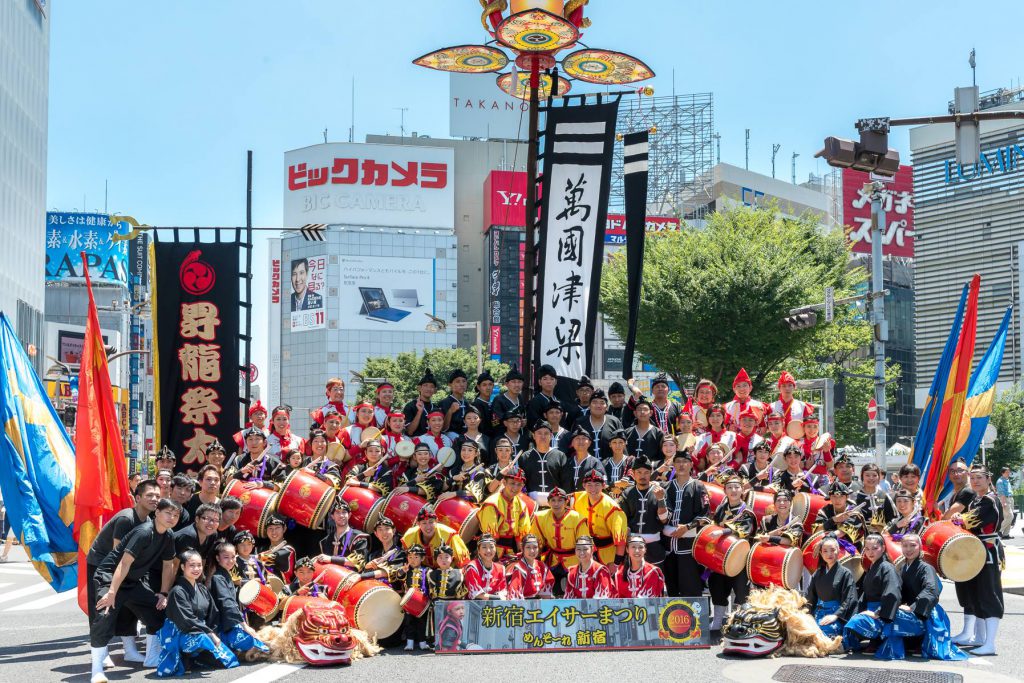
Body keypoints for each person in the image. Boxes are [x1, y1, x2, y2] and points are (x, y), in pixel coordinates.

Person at [89, 499, 181, 682]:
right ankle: (96, 669)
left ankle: (152, 657)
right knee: (105, 614)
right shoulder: (144, 532)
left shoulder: (168, 535)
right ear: (157, 513)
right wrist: (112, 592)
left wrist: (163, 593)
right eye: (168, 513)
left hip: (132, 581)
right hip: (110, 577)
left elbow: (168, 565)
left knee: (157, 609)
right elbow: (123, 564)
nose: (172, 517)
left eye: (176, 515)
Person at [84, 479, 162, 665]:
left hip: (127, 568)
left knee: (130, 608)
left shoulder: (149, 520)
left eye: (158, 496)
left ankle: (130, 651)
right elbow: (117, 554)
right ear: (138, 498)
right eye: (150, 495)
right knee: (103, 609)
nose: (154, 499)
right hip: (102, 566)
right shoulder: (126, 519)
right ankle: (101, 654)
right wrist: (114, 586)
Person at [155, 549, 240, 677]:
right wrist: (210, 634)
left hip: (203, 630)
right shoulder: (178, 591)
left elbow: (213, 614)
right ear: (183, 567)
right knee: (203, 638)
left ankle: (198, 657)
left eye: (199, 565)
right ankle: (185, 656)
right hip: (181, 633)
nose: (196, 569)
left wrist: (215, 632)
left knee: (228, 661)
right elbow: (187, 620)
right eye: (192, 565)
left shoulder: (201, 588)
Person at [950, 464, 1003, 655]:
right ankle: (980, 638)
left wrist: (959, 517)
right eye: (972, 478)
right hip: (974, 551)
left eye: (979, 477)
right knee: (977, 594)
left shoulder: (990, 500)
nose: (975, 481)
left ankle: (990, 643)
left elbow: (972, 520)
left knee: (989, 594)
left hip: (987, 552)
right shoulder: (975, 501)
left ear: (989, 479)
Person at [898, 533, 968, 661]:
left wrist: (913, 607)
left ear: (920, 547)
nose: (908, 549)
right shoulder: (903, 568)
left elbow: (931, 590)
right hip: (909, 607)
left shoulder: (927, 568)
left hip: (925, 609)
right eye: (905, 546)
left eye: (913, 545)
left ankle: (921, 640)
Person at [841, 534, 902, 657]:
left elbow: (892, 593)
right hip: (870, 609)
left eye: (875, 548)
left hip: (881, 611)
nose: (870, 552)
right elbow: (865, 595)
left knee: (855, 623)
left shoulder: (887, 567)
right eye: (867, 549)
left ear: (883, 548)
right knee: (847, 621)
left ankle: (878, 639)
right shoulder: (872, 567)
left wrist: (877, 612)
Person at [708, 476, 756, 631]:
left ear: (742, 490)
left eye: (736, 487)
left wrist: (724, 531)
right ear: (725, 490)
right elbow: (714, 526)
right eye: (730, 487)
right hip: (721, 557)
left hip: (740, 558)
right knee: (717, 586)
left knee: (742, 590)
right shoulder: (722, 509)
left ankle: (744, 622)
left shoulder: (747, 511)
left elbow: (744, 530)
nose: (733, 490)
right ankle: (717, 620)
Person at [661, 449, 710, 598]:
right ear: (673, 465)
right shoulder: (666, 487)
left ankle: (695, 620)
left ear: (691, 465)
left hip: (690, 547)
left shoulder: (698, 486)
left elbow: (705, 514)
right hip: (669, 547)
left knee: (691, 587)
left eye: (685, 462)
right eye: (678, 462)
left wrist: (687, 527)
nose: (681, 465)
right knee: (672, 588)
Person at [208, 543, 269, 659]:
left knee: (258, 642)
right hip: (222, 625)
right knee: (254, 642)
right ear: (217, 558)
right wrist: (244, 625)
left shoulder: (225, 574)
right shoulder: (218, 577)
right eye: (226, 557)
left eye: (233, 557)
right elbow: (227, 603)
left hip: (229, 622)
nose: (230, 560)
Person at [530, 487, 588, 594]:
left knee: (576, 593)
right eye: (553, 500)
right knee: (550, 592)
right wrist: (535, 565)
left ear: (566, 502)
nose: (556, 504)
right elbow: (536, 543)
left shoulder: (578, 518)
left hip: (575, 560)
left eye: (560, 500)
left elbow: (585, 545)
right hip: (552, 560)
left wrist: (584, 565)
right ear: (548, 502)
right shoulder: (540, 517)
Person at [617, 456, 668, 565]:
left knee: (655, 579)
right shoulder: (627, 493)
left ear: (651, 473)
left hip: (654, 546)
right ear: (633, 473)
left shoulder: (660, 492)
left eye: (646, 472)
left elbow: (664, 520)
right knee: (632, 579)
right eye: (639, 472)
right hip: (633, 546)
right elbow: (621, 519)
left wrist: (660, 500)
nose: (642, 476)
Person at [804, 535, 858, 638]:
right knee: (806, 632)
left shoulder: (845, 573)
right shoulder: (818, 573)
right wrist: (806, 613)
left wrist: (836, 615)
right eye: (825, 551)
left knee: (823, 633)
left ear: (838, 551)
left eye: (832, 550)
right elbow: (810, 596)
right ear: (821, 553)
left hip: (836, 615)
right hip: (818, 613)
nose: (829, 554)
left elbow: (849, 599)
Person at [572, 469, 628, 565]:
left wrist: (616, 564)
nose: (593, 489)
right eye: (589, 485)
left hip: (607, 554)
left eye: (597, 485)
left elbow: (621, 541)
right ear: (584, 486)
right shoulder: (577, 498)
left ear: (603, 485)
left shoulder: (612, 508)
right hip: (584, 552)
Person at [478, 468, 532, 559]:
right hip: (491, 550)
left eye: (519, 484)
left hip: (512, 550)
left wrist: (522, 554)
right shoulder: (491, 503)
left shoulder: (521, 504)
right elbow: (490, 536)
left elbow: (522, 534)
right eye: (512, 483)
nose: (515, 488)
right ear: (504, 482)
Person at [401, 506, 470, 568]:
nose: (428, 527)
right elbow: (406, 560)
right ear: (418, 524)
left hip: (447, 573)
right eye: (424, 523)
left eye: (431, 522)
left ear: (436, 521)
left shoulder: (449, 534)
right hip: (421, 573)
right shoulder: (409, 536)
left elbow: (463, 562)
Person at [519, 420, 568, 505]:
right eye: (539, 433)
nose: (543, 436)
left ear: (551, 435)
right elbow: (522, 483)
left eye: (546, 433)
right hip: (531, 503)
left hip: (555, 504)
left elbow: (566, 482)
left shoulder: (560, 456)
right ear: (534, 436)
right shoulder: (525, 457)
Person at [814, 482, 867, 552]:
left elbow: (842, 532)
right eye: (834, 496)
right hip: (827, 549)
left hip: (853, 550)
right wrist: (833, 520)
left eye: (841, 496)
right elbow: (816, 531)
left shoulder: (854, 511)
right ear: (830, 497)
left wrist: (825, 539)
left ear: (847, 497)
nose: (837, 500)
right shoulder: (825, 510)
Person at [314, 500, 368, 568]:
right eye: (337, 512)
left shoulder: (358, 537)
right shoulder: (326, 541)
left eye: (344, 512)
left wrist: (331, 559)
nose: (341, 515)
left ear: (349, 515)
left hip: (351, 577)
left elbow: (358, 562)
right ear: (332, 516)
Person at [577, 389, 623, 460]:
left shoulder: (614, 421)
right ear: (589, 406)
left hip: (609, 467)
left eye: (602, 403)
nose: (598, 405)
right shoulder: (580, 422)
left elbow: (623, 445)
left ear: (606, 407)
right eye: (594, 402)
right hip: (585, 467)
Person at [400, 545, 431, 651]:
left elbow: (430, 584)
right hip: (409, 602)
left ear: (422, 558)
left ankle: (422, 642)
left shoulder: (427, 571)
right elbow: (398, 576)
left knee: (422, 622)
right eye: (410, 557)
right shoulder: (406, 570)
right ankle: (410, 643)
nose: (412, 560)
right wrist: (402, 571)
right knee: (409, 622)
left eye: (416, 557)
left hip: (421, 601)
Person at [505, 534, 554, 599]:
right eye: (528, 547)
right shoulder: (519, 568)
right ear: (522, 549)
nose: (532, 551)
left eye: (535, 547)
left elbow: (546, 596)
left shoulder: (542, 566)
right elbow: (514, 597)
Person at [174, 503, 222, 569]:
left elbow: (203, 559)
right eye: (207, 518)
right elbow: (174, 565)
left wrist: (201, 579)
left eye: (216, 520)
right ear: (197, 519)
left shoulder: (212, 534)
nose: (211, 523)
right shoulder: (187, 536)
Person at [359, 517, 407, 583]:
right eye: (380, 530)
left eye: (387, 529)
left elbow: (385, 572)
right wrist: (367, 567)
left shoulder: (401, 554)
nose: (384, 533)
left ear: (393, 531)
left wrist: (361, 576)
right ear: (376, 534)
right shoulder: (373, 555)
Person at [463, 534, 507, 600]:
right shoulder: (472, 567)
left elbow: (503, 590)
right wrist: (498, 598)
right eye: (484, 547)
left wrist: (500, 596)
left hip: (493, 607)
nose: (488, 551)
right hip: (473, 606)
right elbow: (476, 594)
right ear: (478, 550)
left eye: (491, 547)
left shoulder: (501, 568)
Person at [857, 463, 898, 532]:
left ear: (879, 477)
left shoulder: (885, 496)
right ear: (862, 477)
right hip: (860, 538)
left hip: (881, 537)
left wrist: (883, 528)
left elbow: (893, 519)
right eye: (867, 475)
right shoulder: (855, 497)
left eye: (874, 475)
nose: (871, 478)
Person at [771, 371, 812, 437]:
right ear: (779, 388)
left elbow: (810, 427)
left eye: (790, 385)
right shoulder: (771, 407)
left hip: (797, 443)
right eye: (784, 386)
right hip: (778, 443)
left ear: (794, 387)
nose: (787, 388)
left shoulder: (803, 406)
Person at [257, 514, 296, 583]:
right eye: (270, 528)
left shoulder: (288, 550)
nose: (274, 532)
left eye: (277, 528)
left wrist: (254, 558)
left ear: (284, 529)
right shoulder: (261, 549)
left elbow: (272, 558)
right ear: (266, 530)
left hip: (283, 589)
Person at [565, 425, 603, 491]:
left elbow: (603, 484)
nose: (581, 441)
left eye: (584, 438)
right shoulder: (567, 462)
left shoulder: (595, 463)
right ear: (572, 443)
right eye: (577, 438)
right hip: (569, 499)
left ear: (589, 443)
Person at [403, 368, 438, 437]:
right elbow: (410, 431)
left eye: (432, 386)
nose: (428, 389)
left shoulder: (436, 408)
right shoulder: (410, 406)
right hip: (416, 442)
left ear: (435, 390)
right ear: (419, 388)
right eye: (425, 385)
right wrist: (419, 412)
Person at [602, 429, 634, 495]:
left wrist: (621, 489)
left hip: (626, 499)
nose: (617, 446)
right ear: (610, 444)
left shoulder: (631, 461)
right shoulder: (604, 463)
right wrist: (614, 485)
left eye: (620, 442)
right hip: (608, 499)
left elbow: (633, 482)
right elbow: (603, 484)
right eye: (614, 442)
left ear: (625, 443)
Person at [440, 369, 470, 436]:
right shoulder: (444, 403)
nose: (462, 384)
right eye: (457, 381)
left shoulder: (467, 404)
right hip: (450, 438)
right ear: (450, 385)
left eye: (464, 381)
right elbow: (442, 429)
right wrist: (450, 411)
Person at [471, 370, 497, 438]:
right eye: (484, 385)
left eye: (490, 384)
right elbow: (482, 428)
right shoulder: (476, 405)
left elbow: (495, 423)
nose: (488, 388)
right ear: (479, 387)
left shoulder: (493, 404)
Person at [996, 467, 1014, 538]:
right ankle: (999, 531)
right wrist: (1003, 502)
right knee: (1010, 516)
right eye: (1007, 472)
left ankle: (1006, 534)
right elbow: (1001, 493)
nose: (1009, 473)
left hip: (1010, 498)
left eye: (1009, 472)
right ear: (1002, 473)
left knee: (1009, 517)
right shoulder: (1000, 481)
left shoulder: (1007, 480)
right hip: (1004, 499)